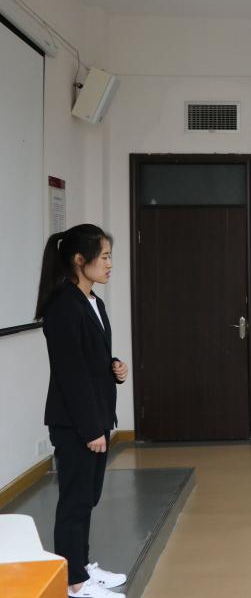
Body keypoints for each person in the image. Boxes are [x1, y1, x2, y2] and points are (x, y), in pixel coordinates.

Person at [36, 225, 128, 598]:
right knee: (74, 501)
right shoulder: (63, 305)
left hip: (95, 416)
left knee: (88, 497)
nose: (109, 264)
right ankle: (73, 581)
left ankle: (82, 567)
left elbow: (90, 358)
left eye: (109, 256)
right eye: (104, 256)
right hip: (76, 423)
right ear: (79, 259)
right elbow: (70, 373)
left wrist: (114, 366)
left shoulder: (92, 302)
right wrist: (91, 429)